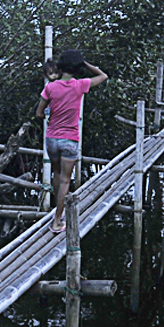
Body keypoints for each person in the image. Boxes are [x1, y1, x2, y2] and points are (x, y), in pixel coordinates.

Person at [36, 50, 108, 233]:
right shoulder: (80, 85)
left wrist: (49, 115)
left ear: (61, 66)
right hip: (70, 140)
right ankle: (57, 221)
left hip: (52, 139)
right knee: (66, 181)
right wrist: (86, 64)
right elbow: (103, 75)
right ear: (77, 68)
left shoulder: (50, 88)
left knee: (57, 175)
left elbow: (38, 113)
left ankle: (56, 212)